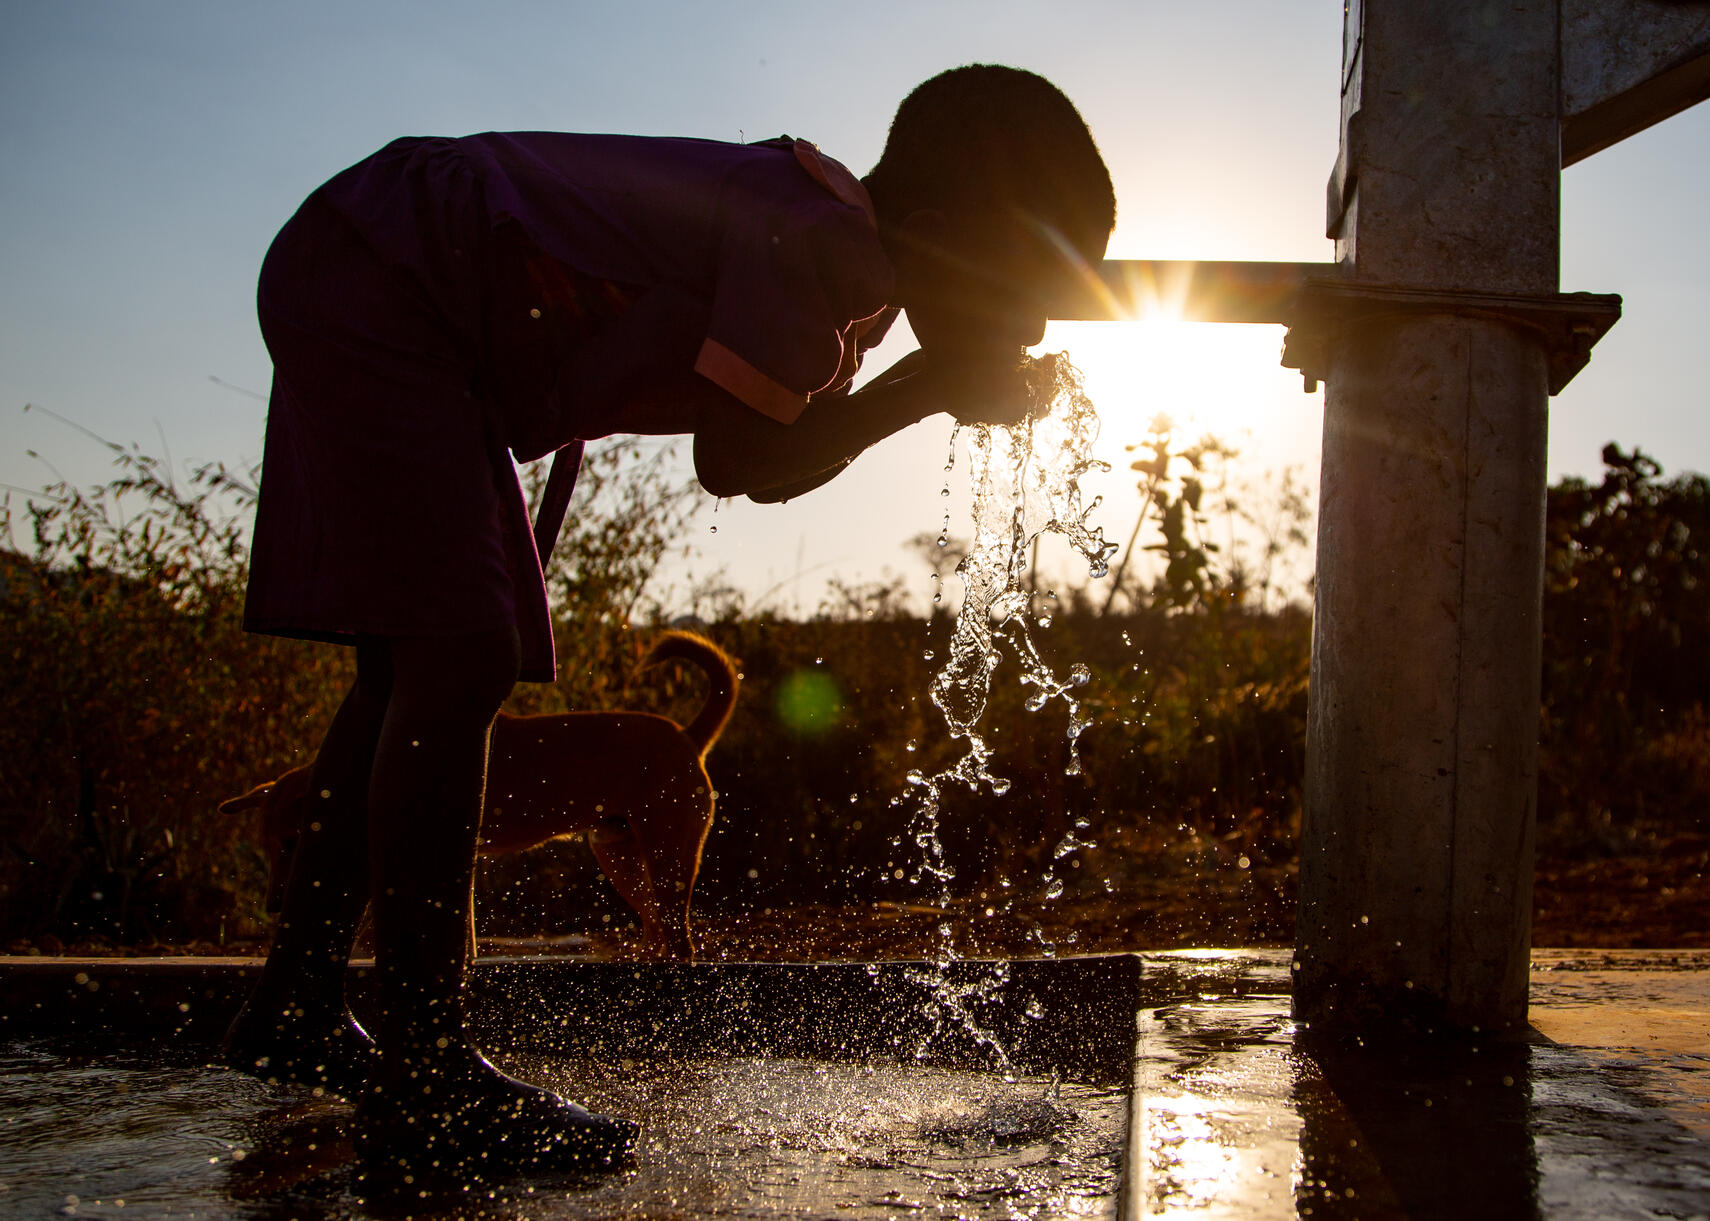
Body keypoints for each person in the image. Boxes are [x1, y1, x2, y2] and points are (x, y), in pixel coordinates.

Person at [218, 64, 1115, 1188]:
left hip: (374, 252)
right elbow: (744, 463)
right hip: (398, 264)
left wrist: (922, 374)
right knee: (460, 659)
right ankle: (425, 1071)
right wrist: (930, 384)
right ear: (933, 234)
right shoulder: (816, 247)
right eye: (1027, 286)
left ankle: (299, 998)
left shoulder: (833, 256)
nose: (1031, 322)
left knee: (406, 663)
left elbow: (759, 436)